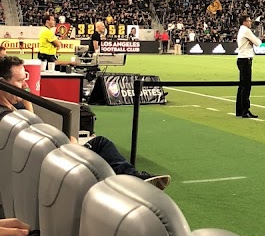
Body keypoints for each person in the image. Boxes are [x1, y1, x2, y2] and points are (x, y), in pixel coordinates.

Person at [0, 56, 170, 190]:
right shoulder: (7, 115)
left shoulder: (15, 106)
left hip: (47, 156)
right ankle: (133, 181)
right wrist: (67, 144)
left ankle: (131, 180)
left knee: (98, 147)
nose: (25, 85)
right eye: (19, 81)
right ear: (2, 83)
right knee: (101, 144)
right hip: (50, 160)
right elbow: (35, 137)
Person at [236, 14, 261, 118]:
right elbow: (258, 42)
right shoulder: (246, 30)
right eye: (249, 21)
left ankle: (239, 110)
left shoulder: (242, 30)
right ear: (244, 22)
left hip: (242, 59)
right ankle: (245, 110)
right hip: (245, 59)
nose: (250, 22)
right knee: (246, 86)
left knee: (242, 86)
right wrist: (254, 39)